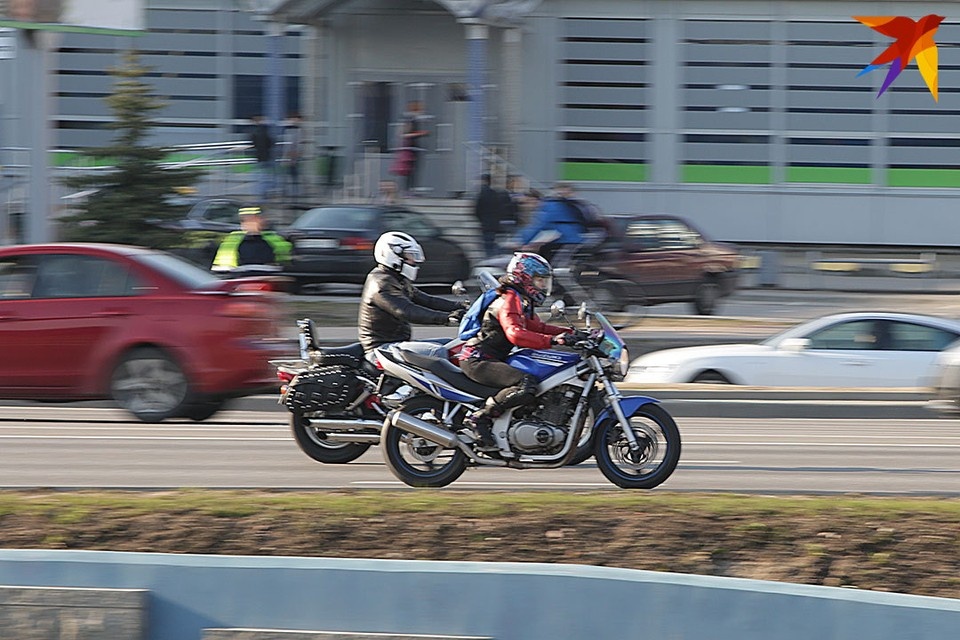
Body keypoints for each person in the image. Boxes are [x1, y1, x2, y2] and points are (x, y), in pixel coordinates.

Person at [457, 252, 583, 450]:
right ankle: (478, 417)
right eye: (539, 280)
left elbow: (538, 328)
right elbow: (515, 334)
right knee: (526, 384)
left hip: (494, 357)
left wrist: (574, 333)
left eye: (544, 281)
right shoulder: (508, 299)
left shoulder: (522, 301)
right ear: (524, 277)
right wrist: (552, 341)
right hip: (479, 359)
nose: (543, 286)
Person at [358, 231, 467, 360]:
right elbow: (406, 311)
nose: (414, 260)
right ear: (392, 255)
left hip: (398, 344)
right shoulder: (380, 283)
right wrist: (446, 318)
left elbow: (427, 300)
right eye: (410, 255)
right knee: (438, 353)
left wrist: (462, 307)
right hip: (381, 349)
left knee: (454, 345)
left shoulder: (397, 279)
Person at [515, 181, 590, 264]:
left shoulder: (549, 207)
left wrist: (522, 242)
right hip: (568, 238)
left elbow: (539, 226)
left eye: (525, 202)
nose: (524, 206)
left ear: (533, 199)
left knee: (549, 263)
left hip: (566, 239)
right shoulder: (554, 205)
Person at [212, 207, 292, 270]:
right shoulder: (233, 239)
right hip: (242, 277)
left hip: (267, 276)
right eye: (246, 220)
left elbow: (285, 259)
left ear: (261, 221)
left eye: (253, 220)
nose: (250, 223)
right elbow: (223, 265)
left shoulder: (273, 238)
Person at [473, 173, 507, 259]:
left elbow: (477, 209)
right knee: (491, 242)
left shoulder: (482, 194)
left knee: (487, 244)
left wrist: (480, 219)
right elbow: (500, 209)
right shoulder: (495, 194)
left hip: (485, 223)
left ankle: (490, 259)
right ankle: (495, 256)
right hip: (494, 223)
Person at [399, 101, 429, 195]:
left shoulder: (415, 119)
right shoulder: (409, 120)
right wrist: (420, 133)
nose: (422, 111)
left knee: (414, 170)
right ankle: (408, 189)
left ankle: (412, 189)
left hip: (415, 148)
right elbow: (404, 134)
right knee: (410, 170)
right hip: (411, 148)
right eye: (420, 109)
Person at [250, 115, 275, 202]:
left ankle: (261, 197)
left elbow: (252, 142)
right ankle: (265, 195)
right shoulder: (266, 130)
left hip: (259, 157)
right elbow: (271, 142)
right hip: (267, 156)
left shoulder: (255, 131)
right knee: (266, 177)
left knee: (260, 178)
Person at [280, 113, 305, 200]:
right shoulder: (291, 130)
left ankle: (294, 192)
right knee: (291, 175)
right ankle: (291, 192)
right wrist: (289, 156)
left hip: (294, 158)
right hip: (291, 157)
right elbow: (290, 144)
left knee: (294, 175)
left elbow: (297, 144)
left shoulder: (297, 130)